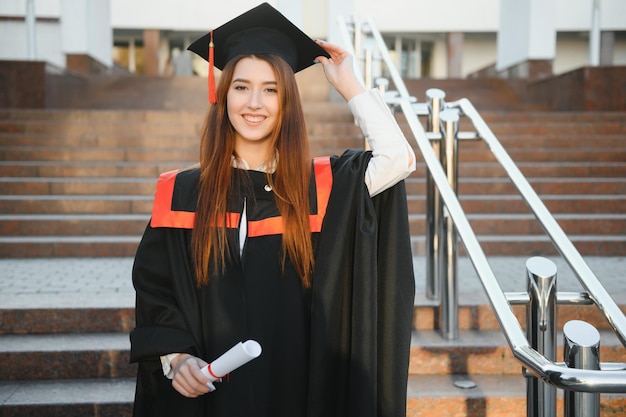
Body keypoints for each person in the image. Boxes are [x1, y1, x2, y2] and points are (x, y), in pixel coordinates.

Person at [130, 3, 416, 417]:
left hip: (298, 391)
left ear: (287, 101)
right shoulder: (181, 193)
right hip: (212, 397)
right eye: (242, 86)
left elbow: (397, 159)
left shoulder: (320, 186)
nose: (254, 103)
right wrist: (176, 358)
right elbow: (157, 292)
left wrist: (349, 83)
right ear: (223, 94)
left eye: (271, 89)